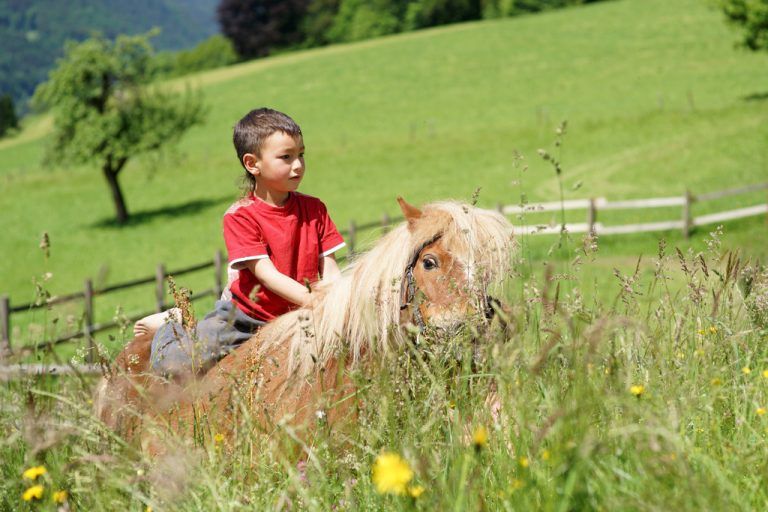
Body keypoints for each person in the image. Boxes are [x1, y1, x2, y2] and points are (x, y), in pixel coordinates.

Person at [134, 108, 345, 375]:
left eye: (301, 154)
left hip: (306, 312)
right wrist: (315, 300)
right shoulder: (240, 216)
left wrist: (338, 303)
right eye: (286, 157)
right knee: (177, 363)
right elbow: (267, 276)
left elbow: (331, 271)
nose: (298, 164)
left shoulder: (316, 209)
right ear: (252, 163)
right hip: (246, 319)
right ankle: (173, 324)